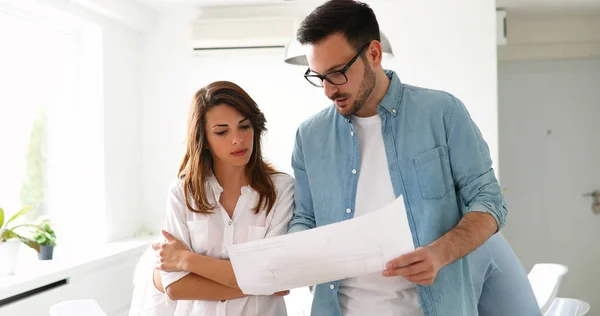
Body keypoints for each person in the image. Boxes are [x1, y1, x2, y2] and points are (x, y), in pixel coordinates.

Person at [287, 1, 539, 315]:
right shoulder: (309, 136)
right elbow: (305, 220)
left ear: (374, 54)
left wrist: (440, 253)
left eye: (337, 73)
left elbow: (489, 201)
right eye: (319, 76)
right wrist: (291, 257)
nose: (327, 90)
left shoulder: (442, 113)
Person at [128, 81, 294, 316]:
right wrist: (258, 281)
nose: (238, 139)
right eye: (222, 131)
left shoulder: (282, 189)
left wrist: (188, 261)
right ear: (204, 139)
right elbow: (175, 287)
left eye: (244, 126)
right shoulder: (183, 193)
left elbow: (279, 281)